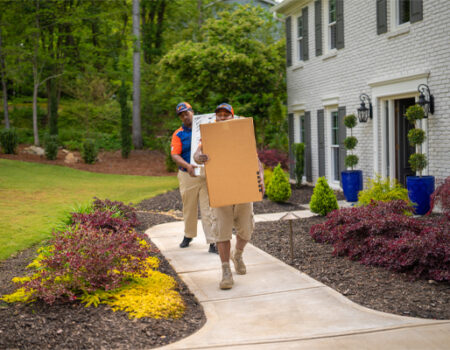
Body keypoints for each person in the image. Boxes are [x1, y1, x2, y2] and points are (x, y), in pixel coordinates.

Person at [194, 103, 264, 289]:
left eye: (226, 114)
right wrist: (199, 157)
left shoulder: (242, 135)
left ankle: (238, 254)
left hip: (242, 189)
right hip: (220, 190)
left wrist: (261, 180)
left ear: (232, 117)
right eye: (220, 115)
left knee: (246, 229)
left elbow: (254, 159)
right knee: (222, 232)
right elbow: (197, 153)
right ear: (215, 118)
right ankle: (225, 271)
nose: (223, 117)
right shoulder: (209, 137)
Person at [170, 102, 217, 253]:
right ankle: (189, 235)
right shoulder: (178, 134)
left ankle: (213, 241)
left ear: (192, 112)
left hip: (204, 174)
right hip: (187, 174)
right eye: (181, 115)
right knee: (189, 208)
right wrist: (188, 165)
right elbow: (175, 155)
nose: (185, 116)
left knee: (207, 209)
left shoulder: (205, 128)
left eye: (186, 112)